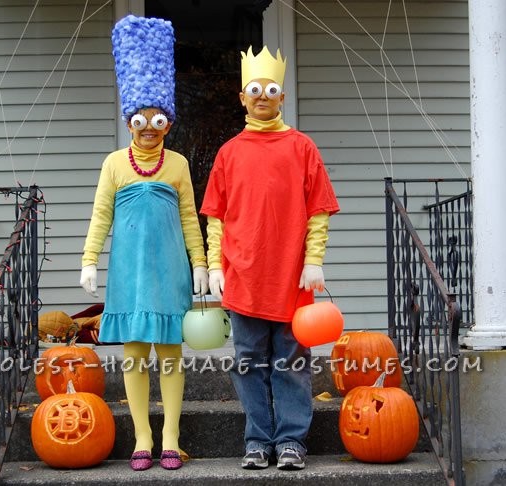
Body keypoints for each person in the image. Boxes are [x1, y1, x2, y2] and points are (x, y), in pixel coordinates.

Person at [200, 45, 340, 471]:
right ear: (242, 97)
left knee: (292, 363)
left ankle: (292, 440)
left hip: (292, 279)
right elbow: (216, 218)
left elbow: (317, 212)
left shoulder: (303, 148)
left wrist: (313, 261)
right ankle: (258, 440)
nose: (262, 96)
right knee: (248, 363)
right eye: (254, 90)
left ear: (283, 96)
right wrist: (215, 266)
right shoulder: (229, 153)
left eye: (271, 89)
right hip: (243, 277)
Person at [79, 15, 208, 472]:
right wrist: (90, 259)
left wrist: (200, 263)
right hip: (129, 272)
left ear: (168, 122)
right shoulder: (114, 163)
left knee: (170, 355)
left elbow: (191, 218)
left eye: (158, 119)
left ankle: (171, 433)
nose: (149, 126)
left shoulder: (176, 166)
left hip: (170, 270)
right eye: (141, 118)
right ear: (130, 121)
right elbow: (101, 214)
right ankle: (142, 437)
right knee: (134, 354)